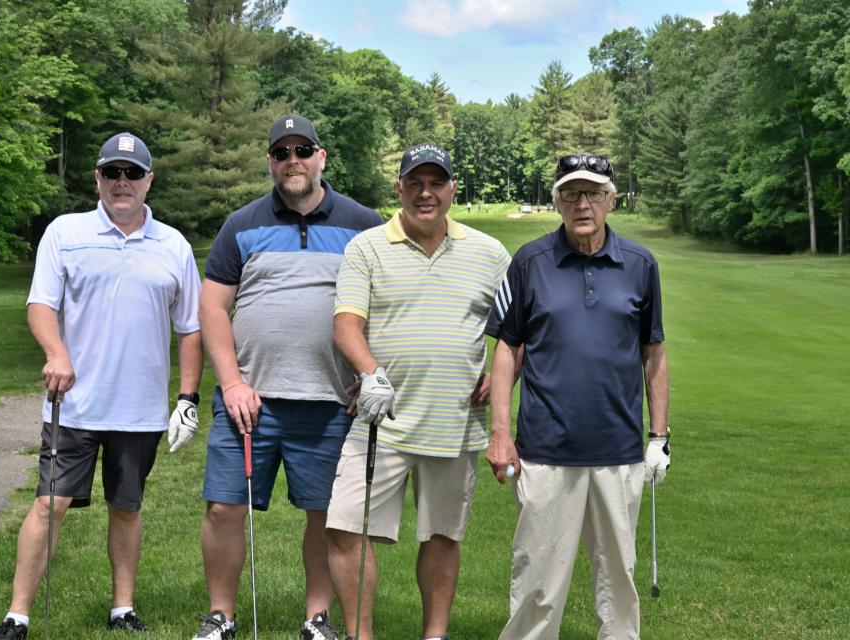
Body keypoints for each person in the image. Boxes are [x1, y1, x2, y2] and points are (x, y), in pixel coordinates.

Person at [0, 133, 204, 640]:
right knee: (49, 503)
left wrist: (187, 398)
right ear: (97, 179)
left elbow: (190, 326)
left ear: (150, 180)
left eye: (132, 173)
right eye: (112, 173)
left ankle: (122, 608)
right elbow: (42, 304)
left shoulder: (173, 245)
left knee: (126, 508)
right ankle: (17, 616)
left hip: (140, 408)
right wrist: (56, 353)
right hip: (74, 405)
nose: (121, 183)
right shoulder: (66, 231)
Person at [195, 115, 382, 640]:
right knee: (223, 507)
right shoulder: (242, 223)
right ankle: (221, 617)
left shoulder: (364, 223)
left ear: (322, 157)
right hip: (249, 400)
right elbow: (213, 308)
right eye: (282, 152)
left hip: (330, 401)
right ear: (271, 162)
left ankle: (317, 618)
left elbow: (386, 302)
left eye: (303, 150)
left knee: (326, 516)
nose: (292, 160)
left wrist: (369, 373)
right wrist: (231, 383)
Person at [327, 143, 511, 640]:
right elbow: (346, 325)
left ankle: (435, 635)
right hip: (380, 421)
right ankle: (358, 635)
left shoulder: (490, 253)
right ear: (400, 187)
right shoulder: (366, 247)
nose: (425, 193)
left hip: (454, 422)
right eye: (415, 182)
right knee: (346, 527)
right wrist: (371, 372)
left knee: (442, 536)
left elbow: (521, 331)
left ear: (453, 189)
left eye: (436, 183)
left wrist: (501, 375)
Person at [485, 153, 671, 640]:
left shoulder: (639, 265)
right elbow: (506, 350)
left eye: (593, 193)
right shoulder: (530, 262)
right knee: (538, 586)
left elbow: (654, 354)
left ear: (611, 200)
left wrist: (659, 437)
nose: (582, 203)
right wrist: (500, 435)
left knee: (618, 584)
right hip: (546, 452)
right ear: (557, 202)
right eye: (571, 193)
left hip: (619, 452)